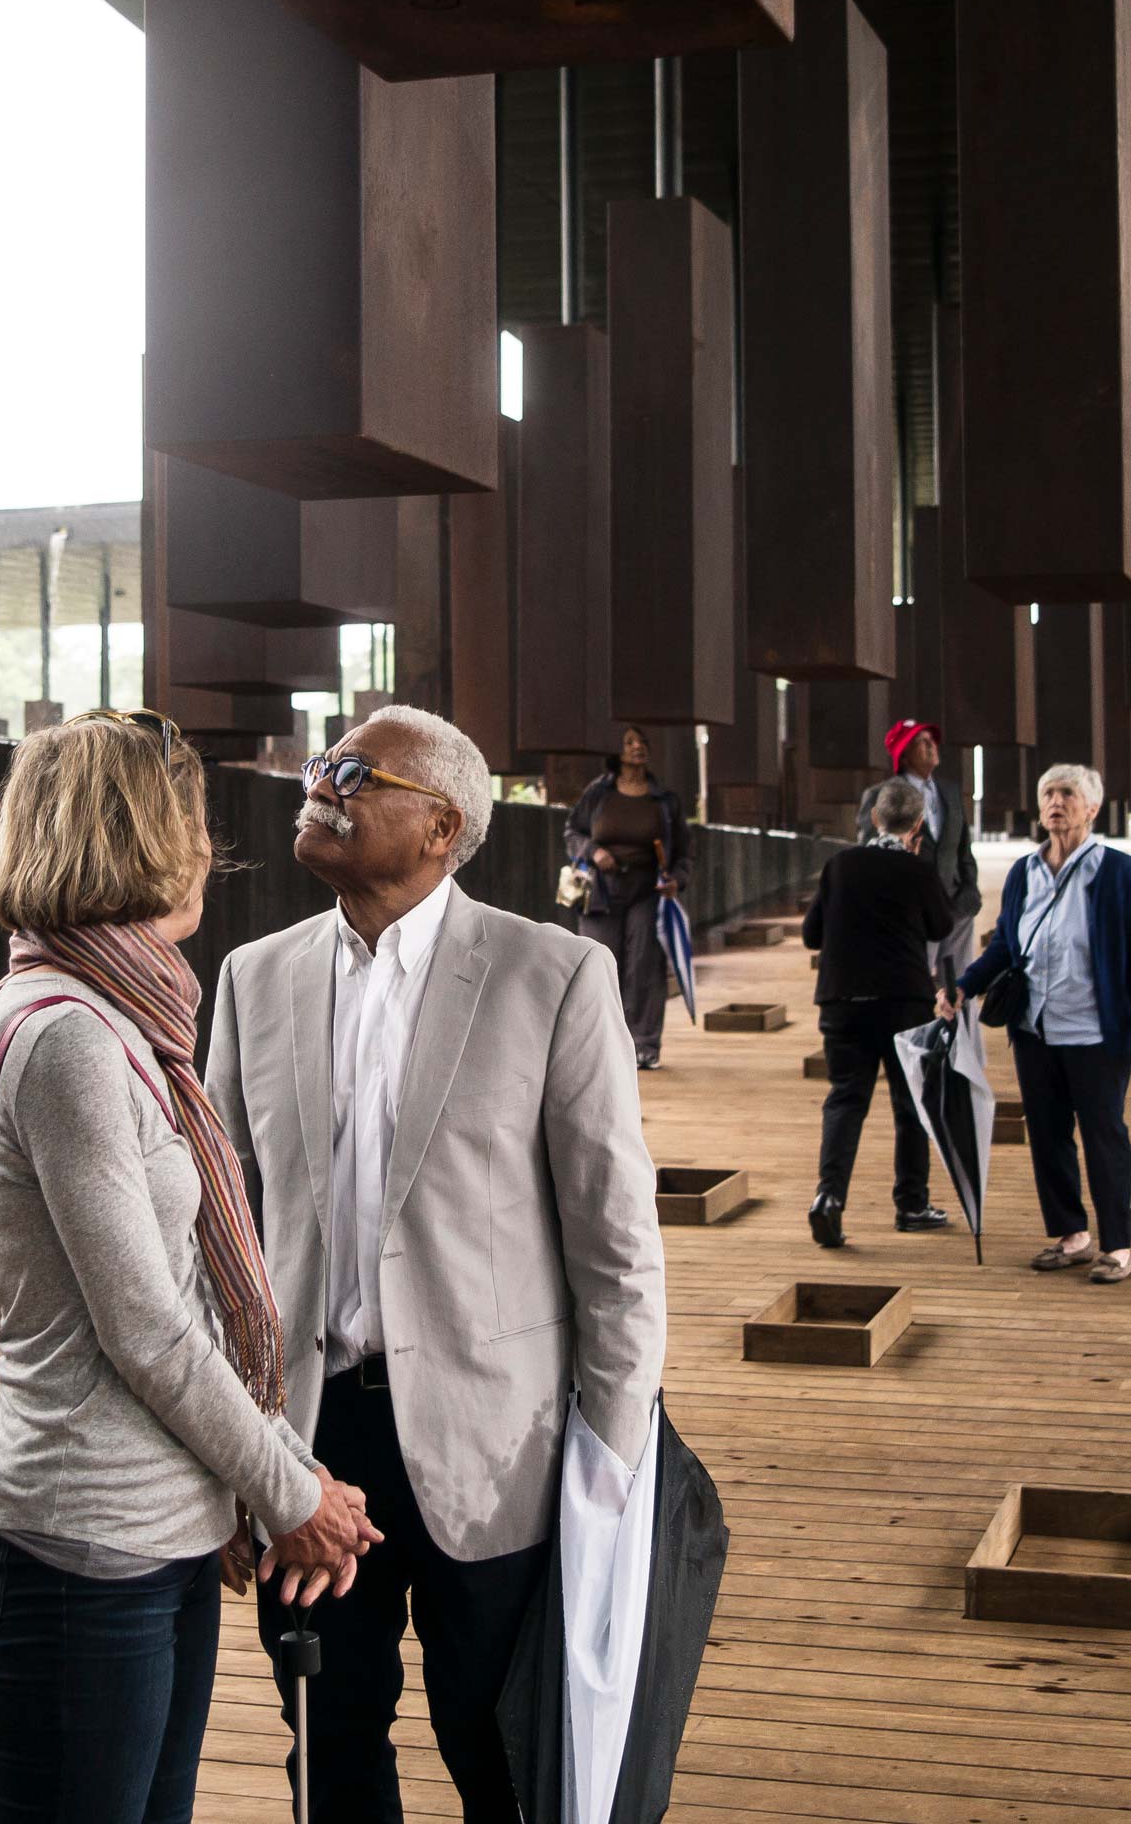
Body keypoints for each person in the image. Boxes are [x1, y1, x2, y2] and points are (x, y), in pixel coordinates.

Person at [208, 705, 668, 1822]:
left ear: (438, 824)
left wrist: (608, 1468)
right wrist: (234, 1459)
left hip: (500, 1445)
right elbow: (214, 1241)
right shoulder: (251, 977)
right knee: (327, 1747)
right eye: (321, 761)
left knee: (498, 1750)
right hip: (308, 1445)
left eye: (356, 772)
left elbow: (616, 1246)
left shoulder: (551, 975)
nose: (320, 781)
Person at [0, 709, 381, 1824]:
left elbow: (184, 1296)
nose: (206, 849)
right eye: (187, 820)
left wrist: (287, 1468)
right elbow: (147, 1328)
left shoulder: (119, 1022)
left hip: (155, 1533)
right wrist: (293, 1494)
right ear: (131, 838)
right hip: (82, 1548)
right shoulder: (70, 1040)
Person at [955, 762, 1131, 1286]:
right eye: (1048, 792)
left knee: (1103, 1134)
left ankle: (1117, 1245)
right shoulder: (1025, 872)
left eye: (1067, 793)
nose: (1055, 802)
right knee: (1047, 1135)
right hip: (1035, 1028)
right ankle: (1072, 1235)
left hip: (1096, 1030)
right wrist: (964, 985)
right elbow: (1004, 944)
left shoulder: (1116, 870)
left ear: (1092, 808)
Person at [803, 775, 959, 1248]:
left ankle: (829, 1198)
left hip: (842, 1000)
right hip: (903, 1001)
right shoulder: (919, 870)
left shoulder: (840, 865)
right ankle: (911, 1204)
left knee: (846, 1099)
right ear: (918, 825)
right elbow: (942, 924)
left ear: (874, 818)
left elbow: (813, 935)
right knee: (910, 1103)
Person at [563, 724, 691, 1068]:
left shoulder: (664, 800)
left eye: (642, 742)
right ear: (615, 752)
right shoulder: (598, 793)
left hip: (647, 890)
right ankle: (600, 1046)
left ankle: (644, 1047)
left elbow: (684, 852)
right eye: (629, 742)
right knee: (598, 965)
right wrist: (592, 851)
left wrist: (677, 879)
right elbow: (572, 831)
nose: (638, 747)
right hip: (601, 891)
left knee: (645, 968)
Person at [854, 718, 984, 986]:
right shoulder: (880, 795)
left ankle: (960, 1030)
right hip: (909, 913)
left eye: (932, 740)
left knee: (960, 990)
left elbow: (963, 849)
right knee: (913, 986)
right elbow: (868, 856)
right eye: (921, 742)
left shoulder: (950, 791)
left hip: (955, 907)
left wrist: (970, 889)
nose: (931, 745)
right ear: (904, 753)